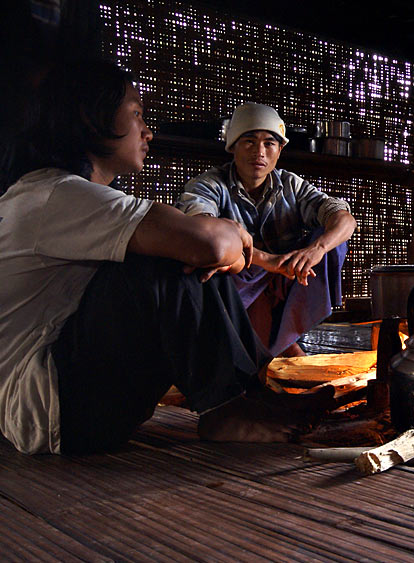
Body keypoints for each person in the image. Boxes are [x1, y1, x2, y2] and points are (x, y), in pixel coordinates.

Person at [0, 60, 328, 455]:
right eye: (136, 113)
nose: (147, 130)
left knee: (183, 246)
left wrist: (224, 244)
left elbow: (215, 245)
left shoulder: (53, 194)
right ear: (91, 117)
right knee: (173, 251)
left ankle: (249, 397)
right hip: (51, 413)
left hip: (67, 402)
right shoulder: (57, 195)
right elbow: (208, 244)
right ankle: (227, 410)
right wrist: (233, 237)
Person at [176, 103, 357, 357]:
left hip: (284, 279)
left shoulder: (291, 186)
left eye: (269, 143)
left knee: (332, 241)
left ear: (280, 150)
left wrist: (317, 249)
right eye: (249, 141)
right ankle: (252, 348)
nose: (259, 152)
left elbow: (344, 218)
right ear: (233, 147)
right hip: (234, 281)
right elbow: (199, 229)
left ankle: (283, 340)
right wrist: (265, 260)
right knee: (209, 252)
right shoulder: (211, 184)